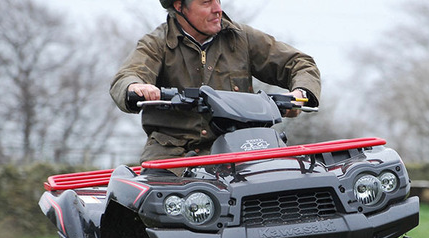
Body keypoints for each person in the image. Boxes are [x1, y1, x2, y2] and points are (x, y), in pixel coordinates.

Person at [110, 0, 321, 167]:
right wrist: (136, 87)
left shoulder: (242, 39)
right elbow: (128, 76)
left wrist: (301, 92)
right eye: (206, 2)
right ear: (179, 6)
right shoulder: (157, 43)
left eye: (218, 0)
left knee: (285, 181)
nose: (218, 9)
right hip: (174, 159)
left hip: (241, 152)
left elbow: (299, 63)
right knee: (160, 205)